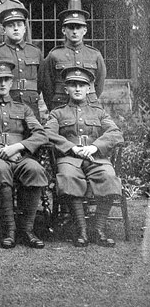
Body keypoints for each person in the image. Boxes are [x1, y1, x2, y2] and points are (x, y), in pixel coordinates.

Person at [0, 61, 49, 249]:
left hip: (20, 156)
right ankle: (9, 230)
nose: (2, 84)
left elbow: (40, 134)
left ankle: (27, 230)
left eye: (6, 80)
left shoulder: (23, 109)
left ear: (12, 83)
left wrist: (18, 147)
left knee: (35, 169)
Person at [45, 67, 123, 247]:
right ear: (66, 89)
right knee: (68, 177)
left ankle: (98, 228)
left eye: (82, 85)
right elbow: (47, 134)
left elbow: (115, 133)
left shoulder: (99, 113)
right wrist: (72, 148)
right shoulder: (58, 113)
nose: (78, 88)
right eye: (73, 85)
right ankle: (81, 230)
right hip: (69, 158)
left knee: (109, 177)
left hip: (95, 158)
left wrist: (95, 147)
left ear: (89, 89)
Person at [41, 9, 106, 111]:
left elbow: (99, 83)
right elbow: (47, 87)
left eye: (78, 27)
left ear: (85, 30)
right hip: (61, 106)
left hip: (89, 107)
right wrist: (54, 108)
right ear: (64, 30)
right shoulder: (54, 55)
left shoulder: (95, 55)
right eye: (71, 28)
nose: (75, 31)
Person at [0, 7, 44, 119]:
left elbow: (41, 82)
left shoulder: (35, 51)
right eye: (11, 26)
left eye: (19, 25)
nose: (16, 29)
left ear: (25, 28)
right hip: (5, 105)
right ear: (4, 30)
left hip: (30, 104)